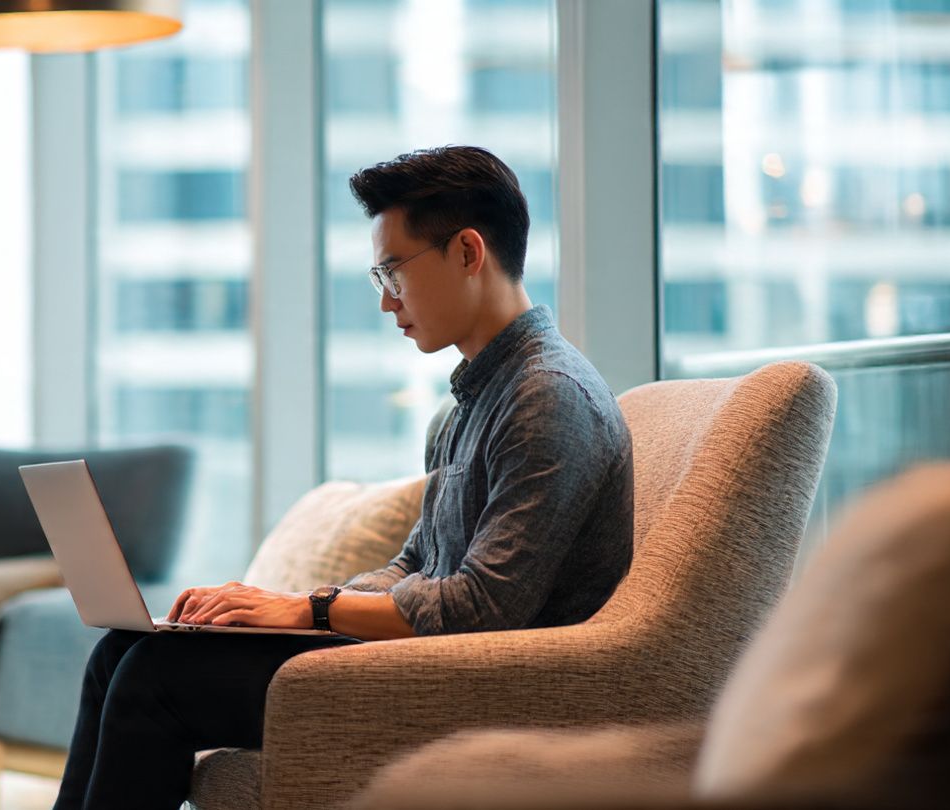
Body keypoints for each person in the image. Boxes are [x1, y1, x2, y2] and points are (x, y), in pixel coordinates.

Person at [51, 145, 635, 810]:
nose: (388, 303)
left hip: (488, 690)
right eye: (377, 277)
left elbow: (483, 609)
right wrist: (285, 618)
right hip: (429, 666)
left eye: (395, 272)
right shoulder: (466, 408)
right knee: (120, 652)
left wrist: (312, 610)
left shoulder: (548, 398)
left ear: (468, 253)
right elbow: (418, 561)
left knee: (156, 678)